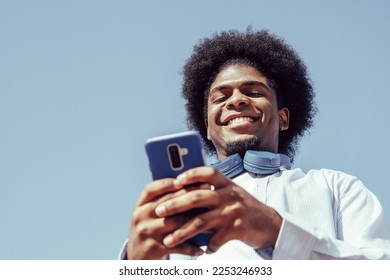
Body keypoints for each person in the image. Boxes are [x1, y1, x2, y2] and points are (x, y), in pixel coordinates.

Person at [121, 28, 390, 260]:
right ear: (207, 127)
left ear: (283, 118)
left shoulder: (338, 189)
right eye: (220, 97)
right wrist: (134, 264)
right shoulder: (172, 212)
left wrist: (276, 231)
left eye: (253, 92)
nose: (235, 100)